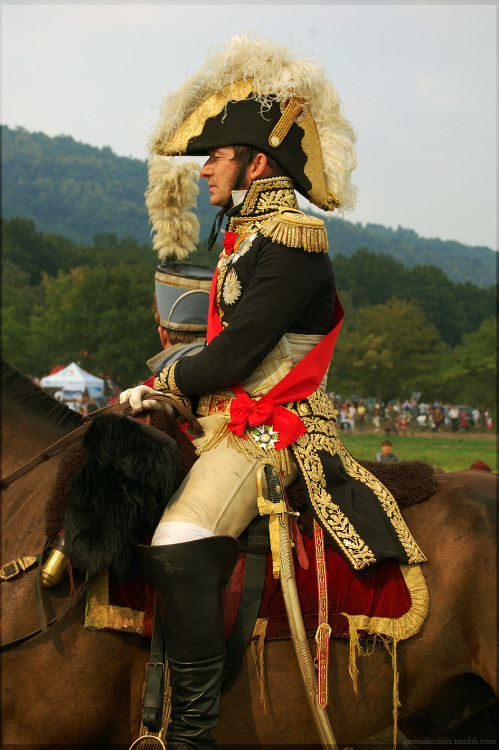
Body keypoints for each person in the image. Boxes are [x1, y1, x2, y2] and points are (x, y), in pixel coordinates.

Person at [120, 34, 425, 749]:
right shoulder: (248, 236)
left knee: (178, 537)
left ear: (256, 163)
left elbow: (235, 354)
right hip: (231, 422)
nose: (202, 173)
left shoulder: (289, 237)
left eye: (215, 158)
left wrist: (161, 377)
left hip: (274, 431)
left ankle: (191, 734)